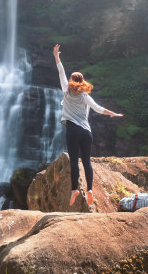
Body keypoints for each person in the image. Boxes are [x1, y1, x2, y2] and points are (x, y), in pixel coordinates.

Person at [53, 44, 123, 206]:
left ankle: (74, 190)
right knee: (86, 161)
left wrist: (57, 56)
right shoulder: (85, 96)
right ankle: (90, 190)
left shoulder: (66, 90)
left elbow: (60, 72)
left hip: (72, 130)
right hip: (86, 132)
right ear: (82, 81)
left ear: (71, 81)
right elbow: (99, 109)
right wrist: (113, 113)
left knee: (73, 161)